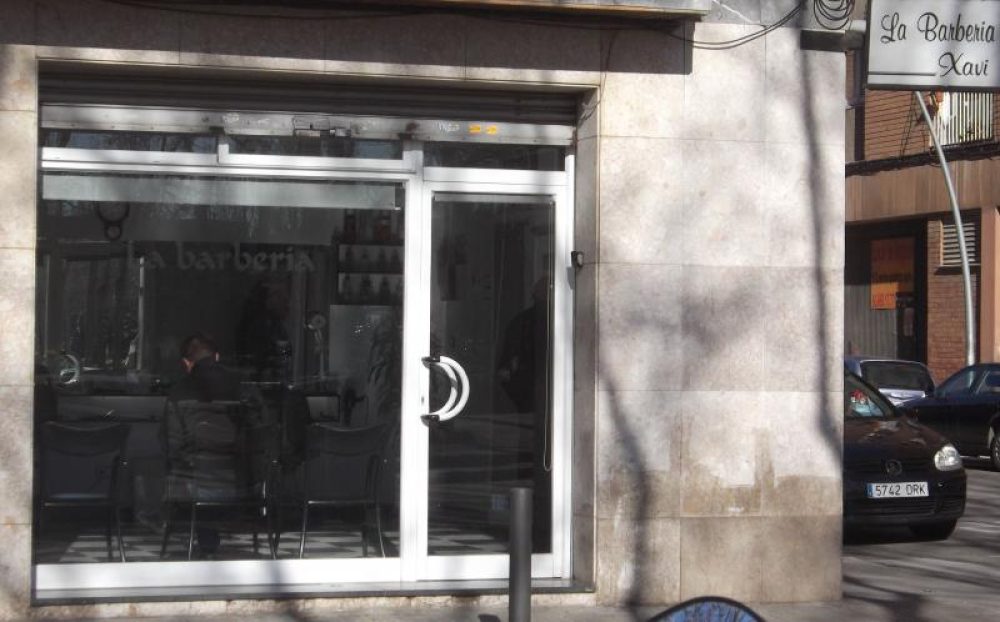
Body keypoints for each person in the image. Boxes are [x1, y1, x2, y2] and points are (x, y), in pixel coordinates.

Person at [161, 333, 263, 558]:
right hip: (243, 485)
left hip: (196, 486)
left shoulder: (179, 393)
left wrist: (179, 467)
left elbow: (172, 442)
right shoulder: (243, 386)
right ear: (217, 357)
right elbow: (259, 431)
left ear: (187, 363)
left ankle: (206, 542)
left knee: (183, 471)